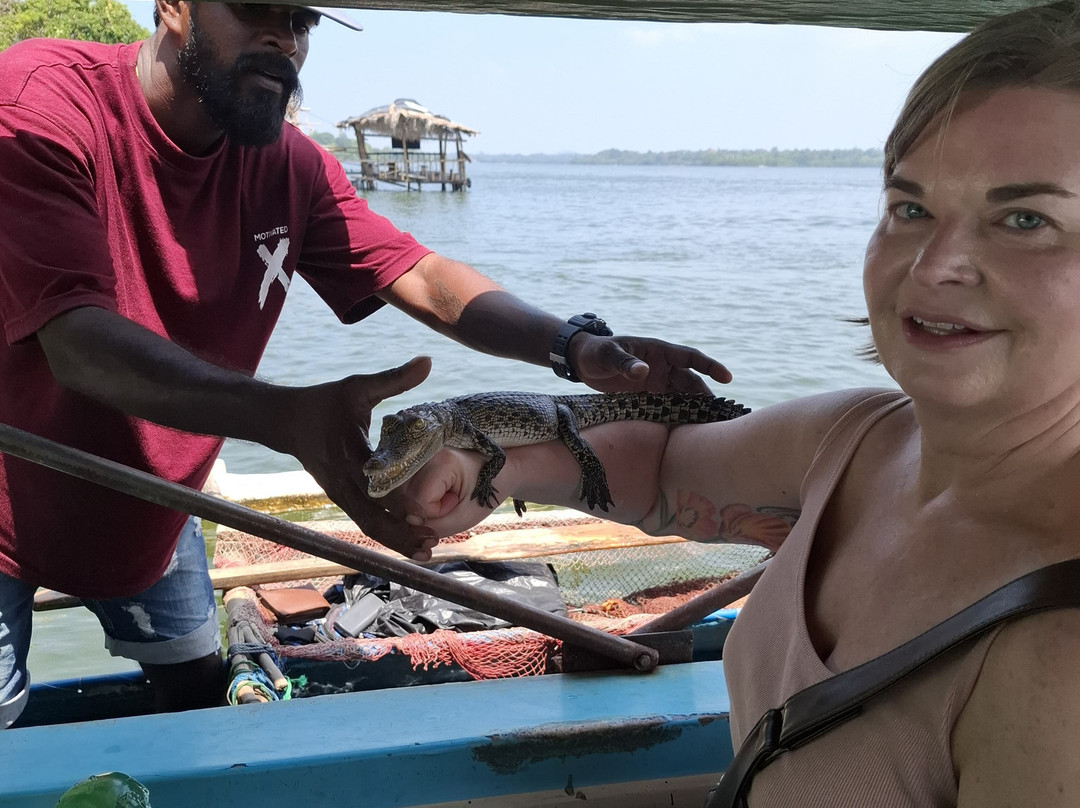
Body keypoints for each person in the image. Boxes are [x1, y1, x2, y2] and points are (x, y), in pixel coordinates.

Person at [398, 2, 1080, 804]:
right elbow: (660, 467)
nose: (934, 267)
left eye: (1026, 219)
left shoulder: (1058, 664)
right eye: (910, 208)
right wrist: (479, 465)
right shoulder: (856, 437)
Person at [0, 1, 732, 729]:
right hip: (8, 495)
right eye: (256, 10)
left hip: (163, 510)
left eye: (302, 22)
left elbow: (419, 274)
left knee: (196, 716)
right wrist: (286, 418)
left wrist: (575, 346)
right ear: (173, 7)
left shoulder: (290, 166)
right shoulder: (42, 102)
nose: (282, 40)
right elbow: (78, 342)